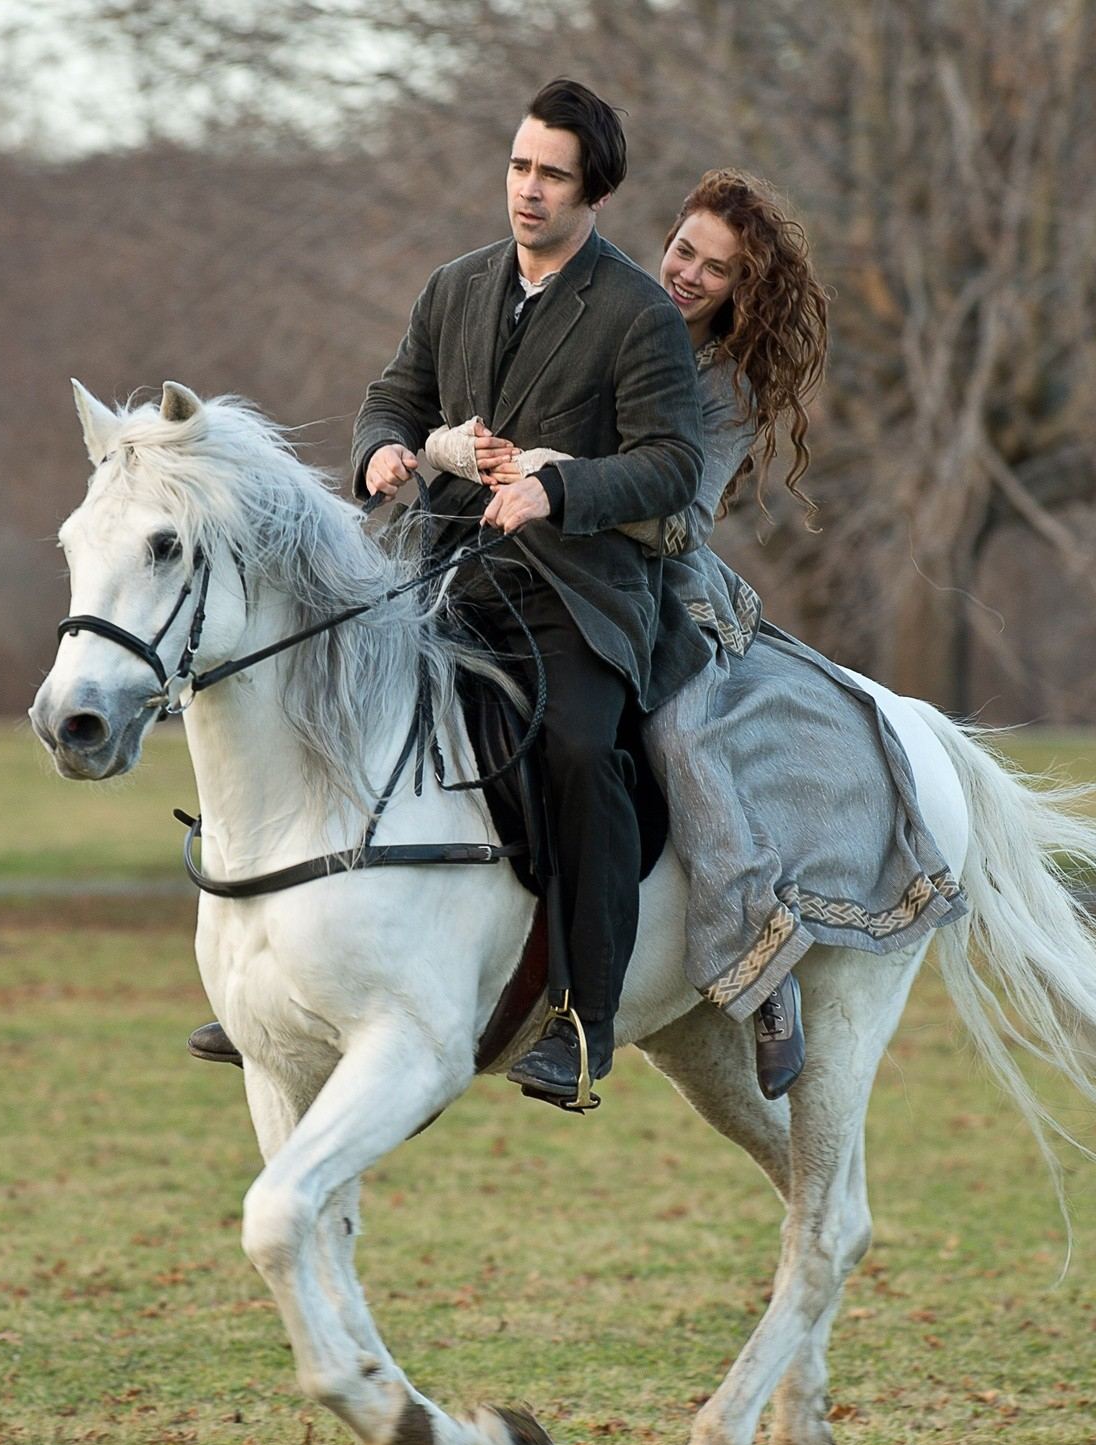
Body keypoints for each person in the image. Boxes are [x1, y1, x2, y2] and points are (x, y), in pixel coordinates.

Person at [189, 79, 708, 1107]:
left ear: (592, 190)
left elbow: (671, 466)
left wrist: (557, 487)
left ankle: (579, 1014)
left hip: (580, 597)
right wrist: (383, 449)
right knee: (310, 693)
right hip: (440, 579)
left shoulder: (637, 315)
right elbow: (393, 397)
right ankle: (277, 990)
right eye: (519, 167)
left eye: (551, 175)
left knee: (573, 750)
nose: (527, 190)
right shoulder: (454, 286)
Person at [424, 170, 963, 1099]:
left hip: (659, 584)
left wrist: (565, 477)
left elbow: (681, 518)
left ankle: (760, 958)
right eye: (684, 250)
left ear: (740, 294)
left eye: (716, 271)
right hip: (520, 559)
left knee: (677, 737)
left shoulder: (728, 391)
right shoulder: (608, 308)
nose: (687, 275)